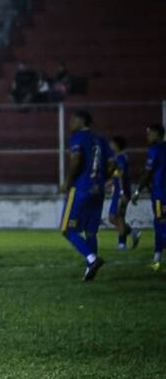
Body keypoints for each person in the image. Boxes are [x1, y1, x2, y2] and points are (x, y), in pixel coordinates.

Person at [58, 110, 112, 281]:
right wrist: (101, 179)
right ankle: (90, 269)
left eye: (72, 120)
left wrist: (67, 181)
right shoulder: (101, 139)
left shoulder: (78, 137)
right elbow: (112, 163)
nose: (70, 123)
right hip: (98, 190)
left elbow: (76, 160)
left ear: (81, 121)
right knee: (90, 232)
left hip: (81, 188)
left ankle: (92, 259)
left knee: (67, 229)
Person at [132, 123, 166, 271]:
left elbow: (148, 173)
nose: (147, 137)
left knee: (161, 226)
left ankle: (157, 259)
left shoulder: (155, 150)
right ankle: (156, 259)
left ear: (157, 134)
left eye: (149, 133)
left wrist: (137, 191)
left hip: (161, 194)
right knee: (159, 225)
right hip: (159, 192)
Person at [107, 136, 140, 251]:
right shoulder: (119, 157)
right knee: (114, 217)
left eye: (112, 144)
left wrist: (121, 192)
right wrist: (111, 182)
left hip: (121, 192)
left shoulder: (120, 158)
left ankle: (122, 244)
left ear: (116, 145)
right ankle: (132, 232)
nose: (110, 146)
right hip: (119, 191)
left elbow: (121, 175)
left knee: (117, 217)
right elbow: (118, 175)